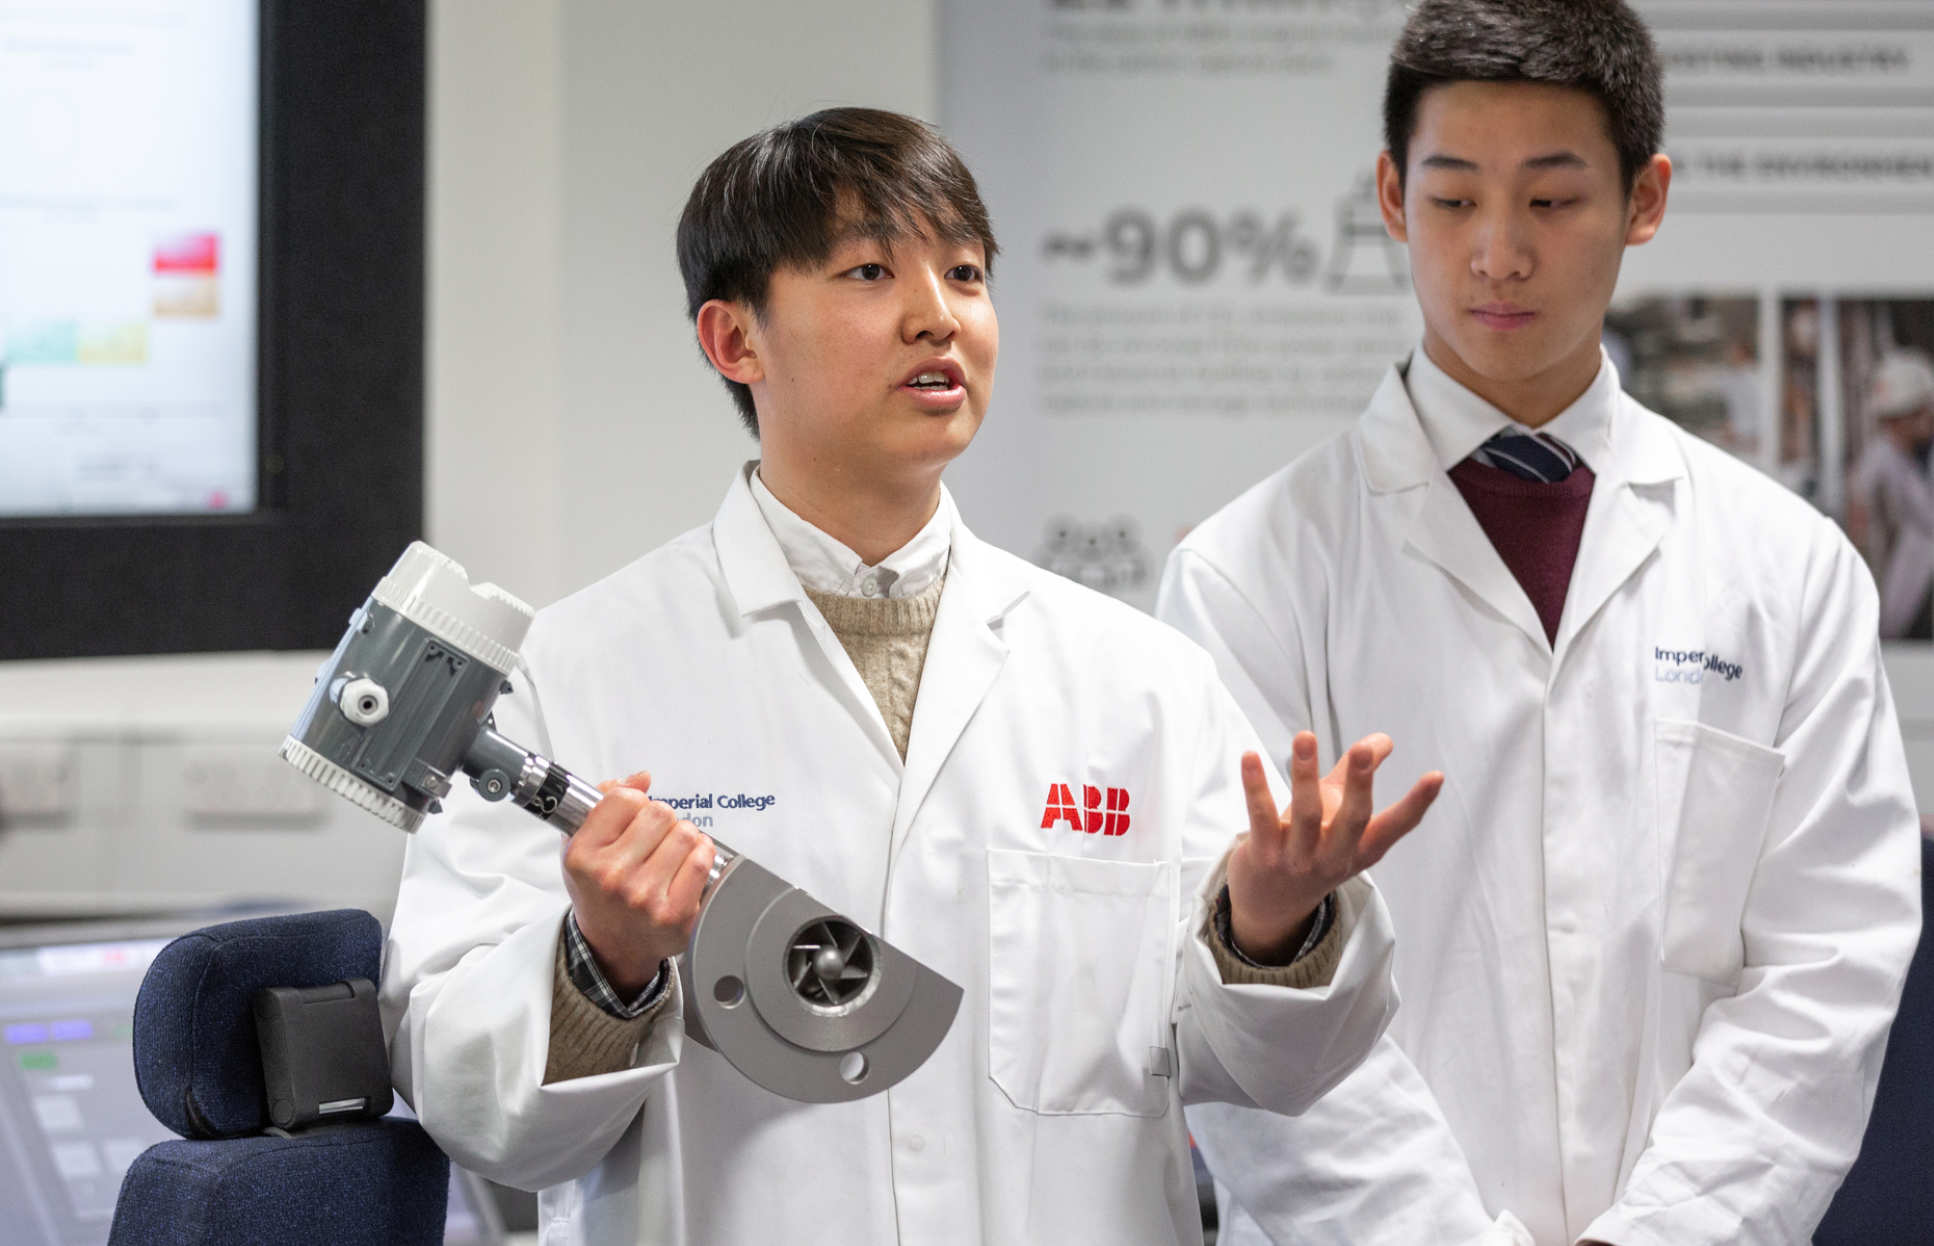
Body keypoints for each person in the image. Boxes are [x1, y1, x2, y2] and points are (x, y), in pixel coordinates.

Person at [380, 108, 1439, 1246]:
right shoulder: (571, 672)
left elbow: (1271, 1075)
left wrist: (1269, 930)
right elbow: (465, 1095)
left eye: (966, 273)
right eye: (870, 271)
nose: (938, 315)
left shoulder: (1139, 683)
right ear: (734, 340)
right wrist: (602, 963)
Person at [1159, 3, 1925, 1244]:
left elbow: (1821, 973)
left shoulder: (1786, 571)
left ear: (1642, 199)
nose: (1497, 253)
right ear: (1391, 196)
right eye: (1453, 198)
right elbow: (1238, 1023)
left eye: (1552, 200)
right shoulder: (1246, 577)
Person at [1849, 348, 1934, 640]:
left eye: (1900, 418)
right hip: (1916, 549)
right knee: (1890, 631)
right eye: (1889, 420)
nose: (1892, 427)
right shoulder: (1884, 451)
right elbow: (1859, 496)